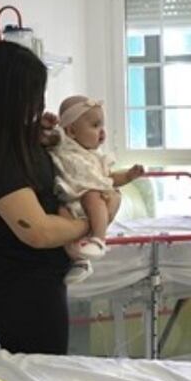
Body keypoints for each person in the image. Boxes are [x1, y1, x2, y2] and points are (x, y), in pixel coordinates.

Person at [0, 42, 117, 354]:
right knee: (42, 374)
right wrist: (88, 224)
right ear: (9, 97)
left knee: (38, 370)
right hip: (20, 285)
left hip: (34, 278)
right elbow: (37, 231)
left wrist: (46, 136)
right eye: (33, 96)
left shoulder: (7, 137)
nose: (38, 104)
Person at [47, 95, 143, 283]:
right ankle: (80, 261)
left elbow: (110, 179)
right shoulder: (63, 142)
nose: (102, 132)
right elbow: (45, 137)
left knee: (92, 196)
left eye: (102, 126)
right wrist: (47, 124)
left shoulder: (97, 157)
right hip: (70, 201)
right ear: (71, 131)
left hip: (94, 201)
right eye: (95, 126)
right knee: (60, 216)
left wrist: (129, 176)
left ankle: (99, 240)